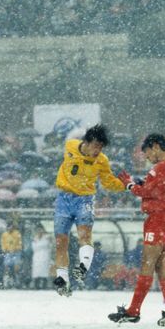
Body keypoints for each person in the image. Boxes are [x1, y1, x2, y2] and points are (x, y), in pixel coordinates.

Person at [108, 133, 165, 327]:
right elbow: (154, 188)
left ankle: (133, 311)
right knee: (161, 266)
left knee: (147, 265)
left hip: (158, 220)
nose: (147, 157)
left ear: (156, 147)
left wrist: (130, 185)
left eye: (148, 153)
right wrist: (138, 183)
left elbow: (147, 192)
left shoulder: (161, 167)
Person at [52, 124, 125, 296]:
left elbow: (108, 182)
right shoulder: (70, 146)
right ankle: (62, 280)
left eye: (101, 147)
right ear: (86, 142)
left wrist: (127, 185)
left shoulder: (102, 161)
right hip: (64, 199)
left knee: (84, 235)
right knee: (61, 241)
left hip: (85, 200)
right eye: (96, 145)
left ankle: (83, 267)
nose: (98, 150)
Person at [0, 221, 22, 289]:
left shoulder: (17, 233)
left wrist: (17, 248)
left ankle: (17, 283)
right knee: (6, 268)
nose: (10, 228)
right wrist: (5, 250)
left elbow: (20, 243)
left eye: (11, 227)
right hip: (8, 253)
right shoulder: (4, 234)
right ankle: (6, 283)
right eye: (9, 227)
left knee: (16, 268)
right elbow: (2, 243)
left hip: (16, 253)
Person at [31, 223, 53, 290]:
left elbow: (47, 245)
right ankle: (36, 285)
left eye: (40, 230)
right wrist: (41, 245)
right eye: (38, 230)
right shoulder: (34, 238)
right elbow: (34, 247)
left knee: (44, 272)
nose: (39, 231)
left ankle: (44, 286)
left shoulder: (47, 237)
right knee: (36, 272)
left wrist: (39, 245)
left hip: (45, 256)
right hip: (36, 256)